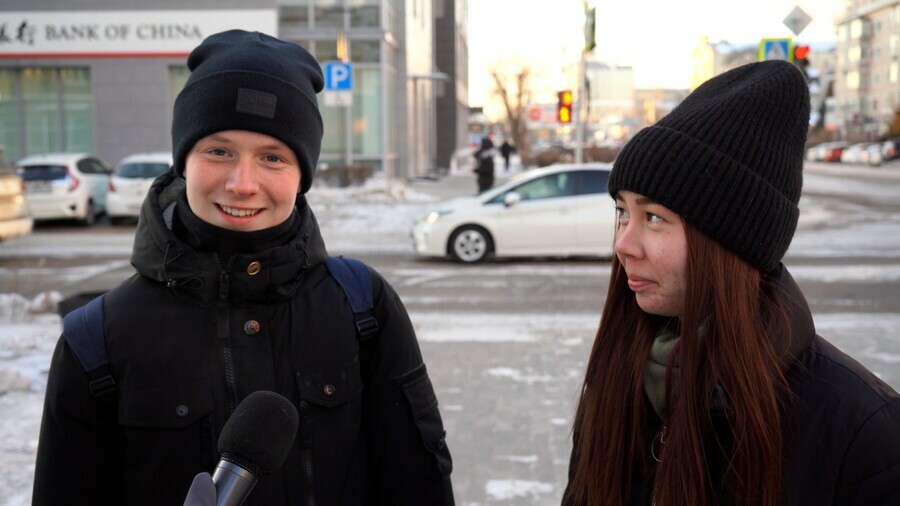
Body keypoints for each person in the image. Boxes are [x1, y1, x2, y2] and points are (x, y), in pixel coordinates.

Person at [33, 30, 454, 506]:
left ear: (302, 176)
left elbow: (421, 485)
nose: (242, 183)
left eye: (272, 157)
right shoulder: (96, 339)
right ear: (183, 162)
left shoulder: (364, 309)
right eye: (219, 151)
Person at [563, 60, 900, 506]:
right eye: (622, 211)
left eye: (655, 218)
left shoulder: (860, 428)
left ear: (729, 243)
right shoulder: (618, 375)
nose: (624, 244)